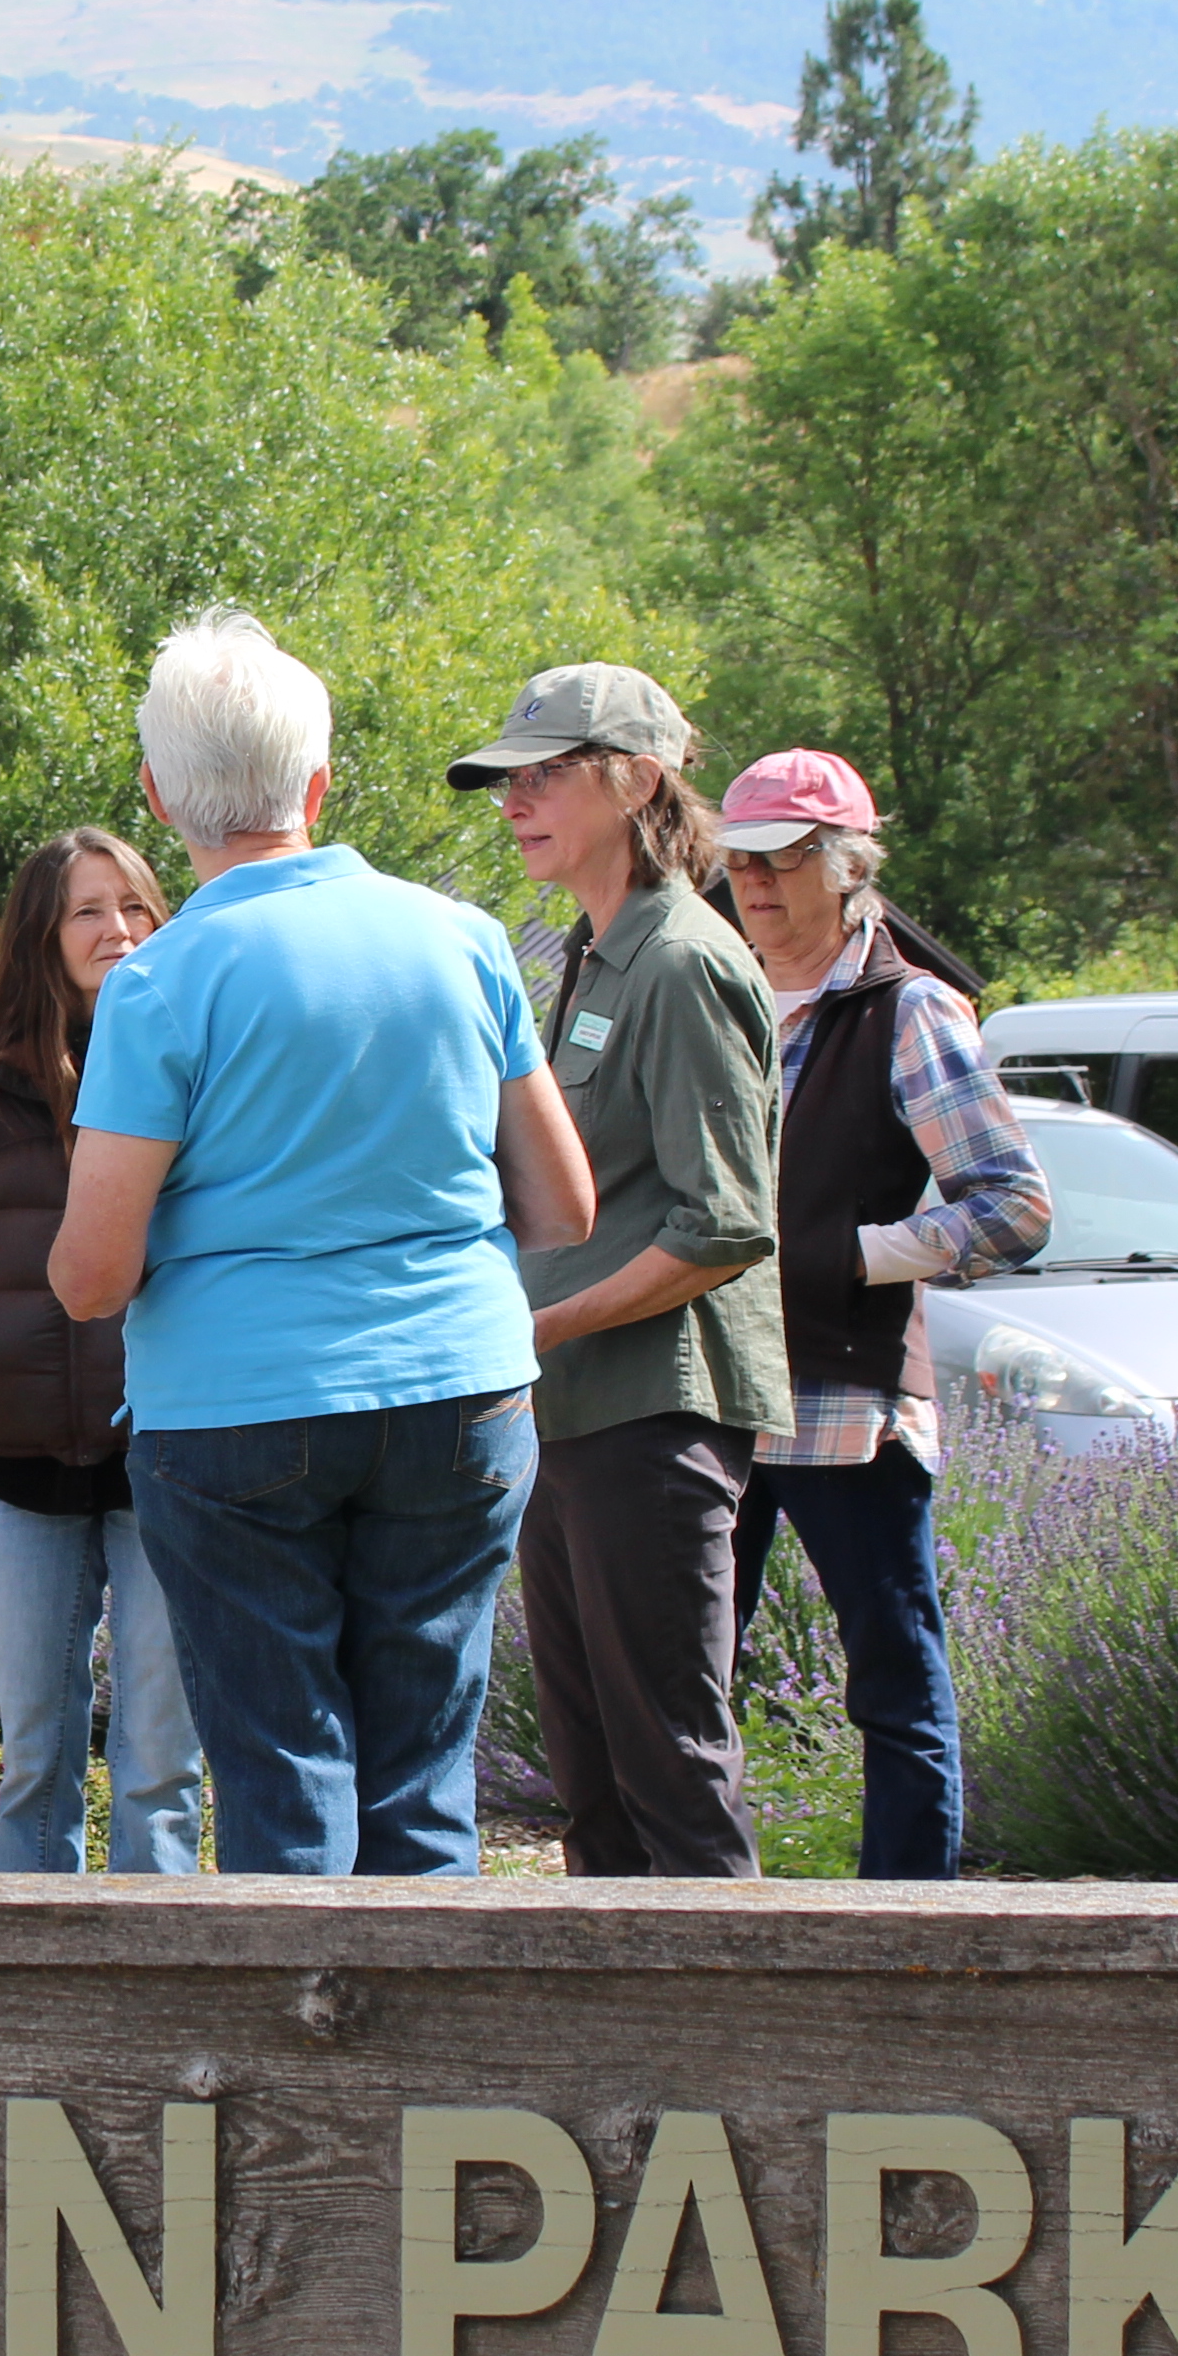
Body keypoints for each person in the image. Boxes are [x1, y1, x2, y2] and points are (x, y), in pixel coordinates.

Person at [45, 612, 594, 1877]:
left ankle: (296, 2072)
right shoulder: (460, 940)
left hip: (236, 1410)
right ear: (319, 781)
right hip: (459, 1387)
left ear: (157, 793)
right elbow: (564, 1210)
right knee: (425, 1780)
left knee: (285, 1780)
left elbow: (89, 1277)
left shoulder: (160, 983)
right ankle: (428, 2065)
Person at [453, 668, 792, 1876]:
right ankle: (603, 2062)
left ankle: (738, 2055)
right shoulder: (593, 956)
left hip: (656, 1420)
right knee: (588, 1786)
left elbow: (725, 1224)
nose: (516, 801)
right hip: (574, 1418)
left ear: (638, 779)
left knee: (673, 1774)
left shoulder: (686, 960)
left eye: (546, 774)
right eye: (511, 779)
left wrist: (542, 1331)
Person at [715, 748, 1049, 1881]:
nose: (757, 882)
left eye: (786, 857)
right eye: (742, 858)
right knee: (685, 1680)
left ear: (850, 866)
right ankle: (707, 1917)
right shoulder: (718, 987)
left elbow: (1012, 1208)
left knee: (894, 1682)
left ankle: (910, 1929)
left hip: (845, 1405)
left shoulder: (908, 1011)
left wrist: (847, 1255)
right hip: (709, 1389)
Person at [0, 829, 201, 1874]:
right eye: (89, 909)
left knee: (162, 1765)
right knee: (34, 1760)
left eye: (135, 905)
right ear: (41, 935)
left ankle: (156, 2003)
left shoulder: (196, 1064)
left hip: (166, 1454)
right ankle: (22, 2009)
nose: (118, 929)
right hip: (17, 1471)